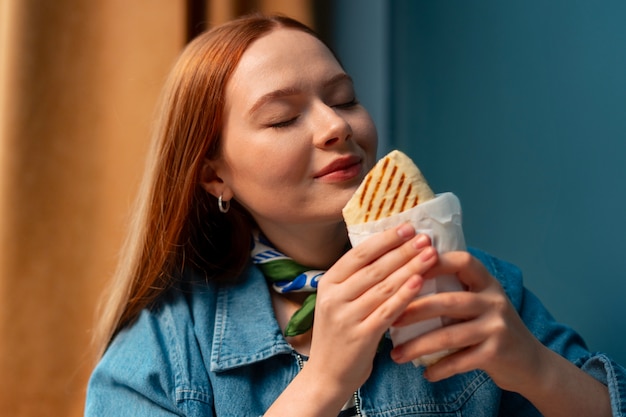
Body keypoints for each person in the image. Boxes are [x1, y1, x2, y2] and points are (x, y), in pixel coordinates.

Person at [84, 13, 625, 416]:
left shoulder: (475, 286)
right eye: (283, 118)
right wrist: (322, 384)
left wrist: (532, 366)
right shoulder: (164, 345)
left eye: (343, 99)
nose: (335, 127)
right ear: (214, 176)